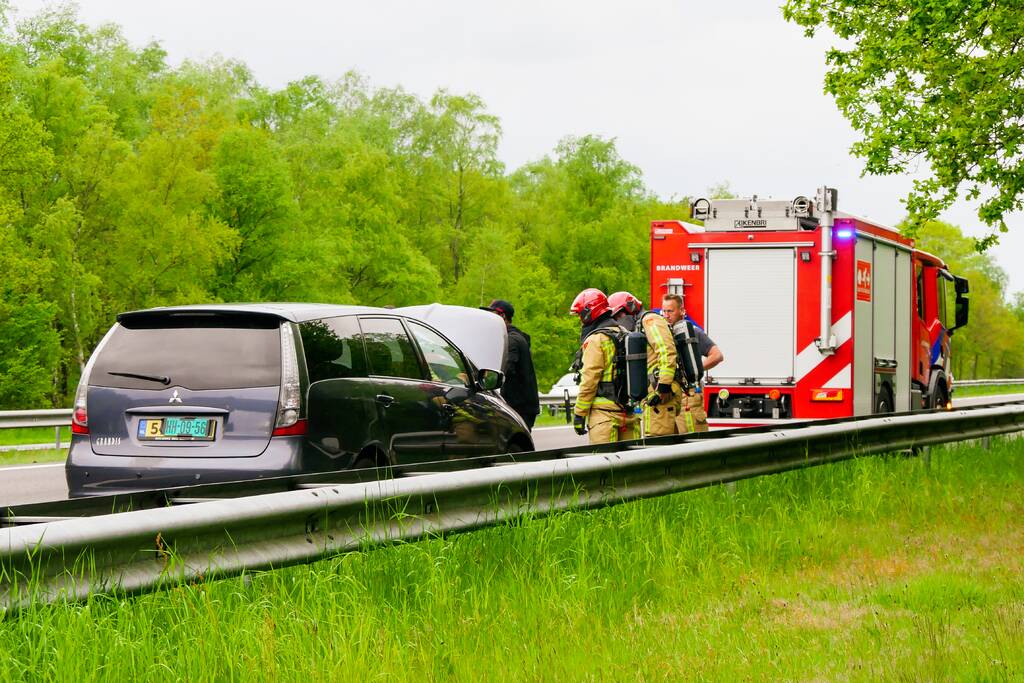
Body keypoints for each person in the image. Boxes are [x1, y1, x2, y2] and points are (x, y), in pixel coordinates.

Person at [608, 291, 680, 437]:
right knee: (667, 440)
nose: (617, 320)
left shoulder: (650, 320)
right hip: (653, 393)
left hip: (660, 392)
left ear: (630, 308)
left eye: (618, 316)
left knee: (657, 441)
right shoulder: (639, 325)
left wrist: (663, 386)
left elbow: (667, 351)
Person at [569, 288, 635, 444]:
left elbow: (590, 379)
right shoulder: (624, 333)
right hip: (628, 415)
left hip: (604, 417)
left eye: (580, 315)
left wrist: (580, 413)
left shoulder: (596, 339)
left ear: (588, 312)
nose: (580, 319)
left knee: (606, 466)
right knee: (629, 466)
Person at [660, 293, 723, 432]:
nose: (666, 315)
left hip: (688, 396)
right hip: (668, 397)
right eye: (663, 311)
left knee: (693, 441)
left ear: (682, 311)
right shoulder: (661, 335)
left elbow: (717, 355)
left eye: (670, 311)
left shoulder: (692, 333)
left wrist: (692, 369)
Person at [481, 299, 540, 430]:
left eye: (493, 314)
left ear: (502, 316)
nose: (489, 318)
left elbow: (504, 370)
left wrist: (484, 379)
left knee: (516, 447)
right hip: (519, 406)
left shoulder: (512, 340)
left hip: (520, 408)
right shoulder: (512, 337)